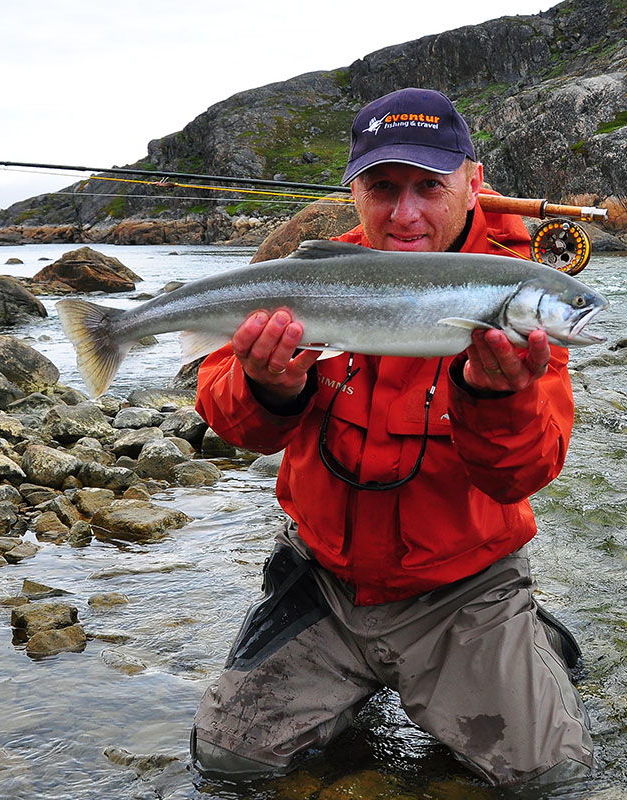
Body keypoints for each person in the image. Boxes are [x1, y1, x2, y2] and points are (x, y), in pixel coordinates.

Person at [190, 87, 593, 787]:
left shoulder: (515, 300)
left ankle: (531, 636)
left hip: (462, 592)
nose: (405, 214)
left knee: (549, 776)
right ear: (355, 193)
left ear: (472, 183)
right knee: (229, 759)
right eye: (383, 188)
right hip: (326, 583)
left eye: (428, 188)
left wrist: (495, 399)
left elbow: (522, 475)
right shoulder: (313, 276)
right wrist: (270, 388)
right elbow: (236, 426)